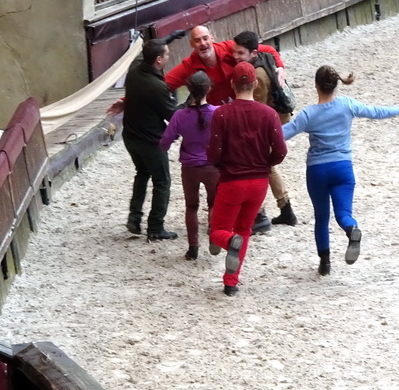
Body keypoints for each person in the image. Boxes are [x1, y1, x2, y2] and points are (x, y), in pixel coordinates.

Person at [282, 66, 399, 275]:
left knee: (321, 217)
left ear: (316, 86)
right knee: (343, 213)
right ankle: (351, 229)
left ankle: (325, 264)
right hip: (342, 168)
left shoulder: (308, 115)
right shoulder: (346, 104)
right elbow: (376, 112)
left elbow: (283, 133)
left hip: (317, 170)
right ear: (336, 85)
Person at [206, 62, 287, 296]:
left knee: (218, 230)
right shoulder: (269, 114)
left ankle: (229, 246)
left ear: (232, 84)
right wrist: (266, 164)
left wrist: (222, 165)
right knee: (244, 229)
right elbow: (280, 151)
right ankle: (231, 281)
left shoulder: (222, 114)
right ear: (254, 84)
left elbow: (213, 152)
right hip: (259, 182)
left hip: (231, 180)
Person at [231, 31, 298, 227]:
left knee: (263, 167)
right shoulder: (264, 58)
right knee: (266, 167)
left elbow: (255, 109)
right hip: (276, 121)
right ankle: (284, 211)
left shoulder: (257, 76)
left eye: (240, 53)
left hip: (270, 126)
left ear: (253, 53)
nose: (235, 56)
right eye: (235, 52)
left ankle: (260, 214)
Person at [119, 39, 178, 240]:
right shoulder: (157, 87)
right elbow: (173, 116)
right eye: (167, 54)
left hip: (130, 137)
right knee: (162, 182)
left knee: (142, 174)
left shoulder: (134, 71)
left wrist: (166, 40)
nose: (169, 57)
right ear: (159, 60)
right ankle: (155, 227)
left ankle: (134, 218)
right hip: (150, 141)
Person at [159, 71, 219, 260]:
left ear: (188, 89)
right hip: (212, 166)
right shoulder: (217, 112)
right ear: (209, 88)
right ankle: (214, 236)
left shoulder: (179, 116)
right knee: (214, 203)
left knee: (191, 207)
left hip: (190, 167)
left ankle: (193, 247)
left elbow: (165, 142)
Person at [165, 24, 284, 106]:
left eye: (205, 38)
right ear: (192, 44)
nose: (203, 43)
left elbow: (268, 49)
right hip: (217, 117)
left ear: (212, 38)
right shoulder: (189, 65)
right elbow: (163, 86)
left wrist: (280, 68)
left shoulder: (231, 48)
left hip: (242, 106)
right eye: (197, 40)